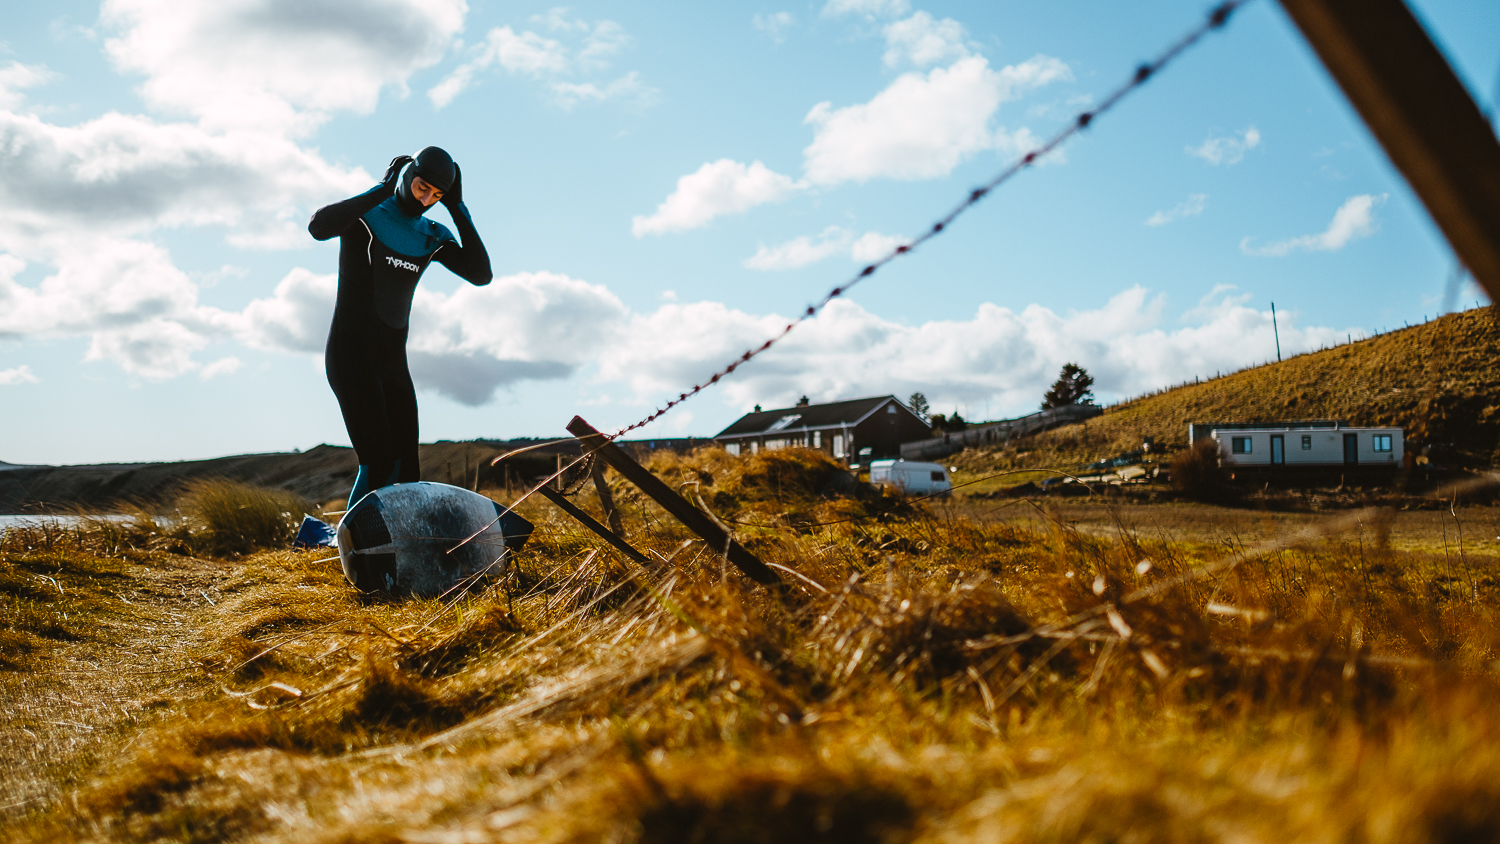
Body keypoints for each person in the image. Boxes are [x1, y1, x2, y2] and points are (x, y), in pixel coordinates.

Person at [308, 147, 492, 508]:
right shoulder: (368, 216)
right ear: (408, 176)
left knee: (405, 469)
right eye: (422, 187)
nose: (426, 200)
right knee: (376, 464)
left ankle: (395, 549)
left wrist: (457, 208)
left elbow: (480, 274)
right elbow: (318, 227)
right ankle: (355, 548)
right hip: (350, 356)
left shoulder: (431, 234)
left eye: (437, 196)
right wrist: (382, 187)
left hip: (393, 366)